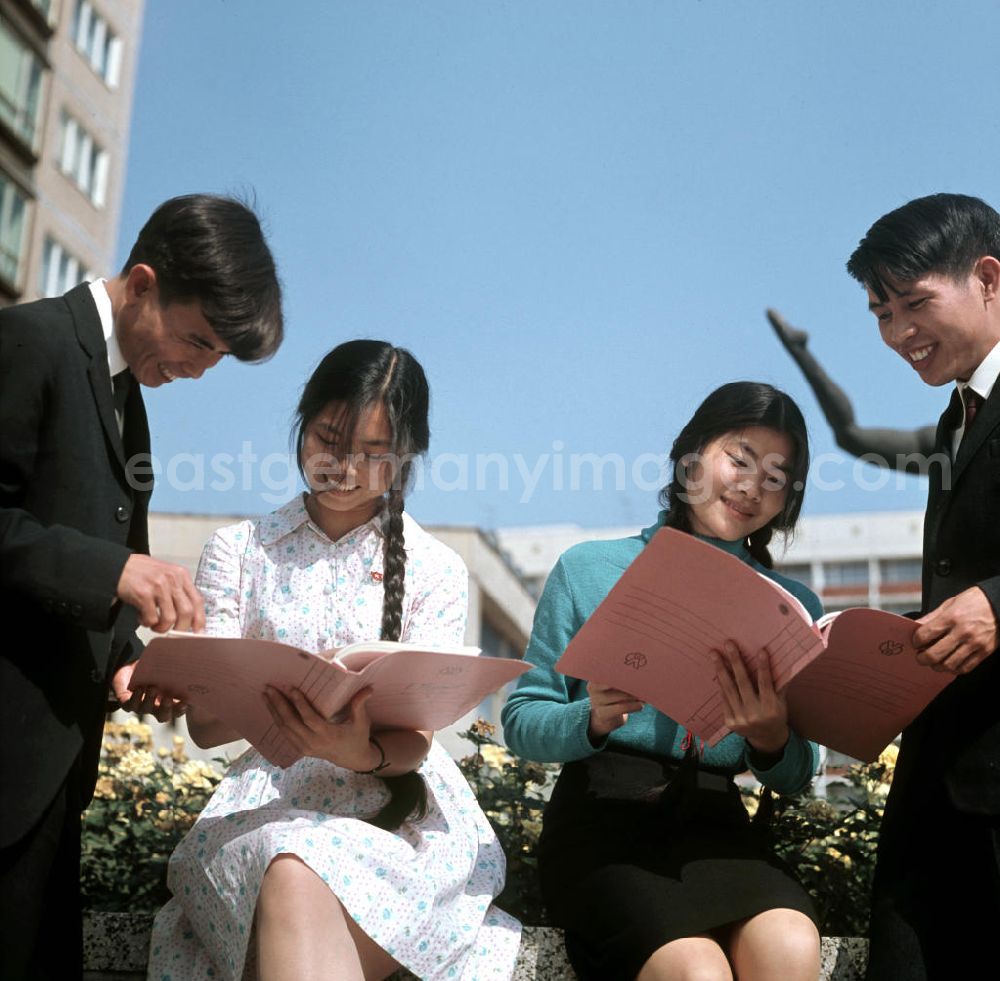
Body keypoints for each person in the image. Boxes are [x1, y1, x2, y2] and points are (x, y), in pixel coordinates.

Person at [146, 340, 521, 981]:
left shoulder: (435, 568)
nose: (345, 467)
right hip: (265, 806)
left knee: (292, 866)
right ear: (302, 421)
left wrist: (354, 751)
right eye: (329, 439)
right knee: (287, 856)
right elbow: (206, 728)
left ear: (407, 458)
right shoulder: (239, 551)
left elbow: (417, 745)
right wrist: (279, 701)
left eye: (375, 454)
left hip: (401, 824)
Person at [0, 193, 283, 980]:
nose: (197, 368)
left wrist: (133, 659)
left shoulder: (133, 406)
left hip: (49, 781)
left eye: (216, 356)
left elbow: (95, 583)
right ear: (144, 282)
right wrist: (115, 571)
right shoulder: (27, 341)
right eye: (197, 340)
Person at [502, 382, 822, 981]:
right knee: (695, 972)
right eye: (740, 459)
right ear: (691, 455)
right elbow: (522, 721)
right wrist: (590, 718)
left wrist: (772, 739)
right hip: (603, 825)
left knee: (791, 944)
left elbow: (803, 771)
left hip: (718, 827)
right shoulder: (588, 569)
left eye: (776, 477)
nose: (752, 487)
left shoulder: (792, 607)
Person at [845, 193, 1000, 980]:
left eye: (914, 302)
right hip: (942, 777)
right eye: (880, 312)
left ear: (988, 278)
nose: (898, 332)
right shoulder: (956, 420)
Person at [766, 308, 937, 469]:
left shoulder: (946, 441)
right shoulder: (946, 439)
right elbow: (849, 435)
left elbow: (849, 434)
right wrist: (802, 355)